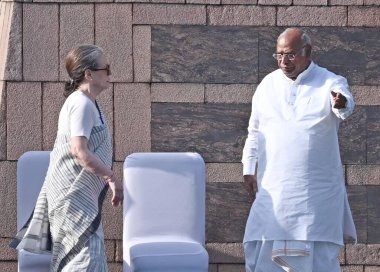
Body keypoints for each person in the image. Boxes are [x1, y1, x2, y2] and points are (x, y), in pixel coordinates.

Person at [241, 28, 357, 272]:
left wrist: (341, 102)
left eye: (291, 55)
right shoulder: (267, 85)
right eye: (279, 55)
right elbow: (254, 131)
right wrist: (249, 168)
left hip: (316, 194)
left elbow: (344, 105)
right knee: (260, 247)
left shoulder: (329, 81)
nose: (284, 62)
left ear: (308, 52)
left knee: (319, 260)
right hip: (274, 187)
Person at [11, 44, 123, 271]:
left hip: (76, 196)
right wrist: (110, 177)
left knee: (85, 256)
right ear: (89, 74)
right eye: (106, 68)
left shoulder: (89, 103)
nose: (110, 73)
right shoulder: (81, 103)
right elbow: (79, 151)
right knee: (85, 259)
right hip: (71, 196)